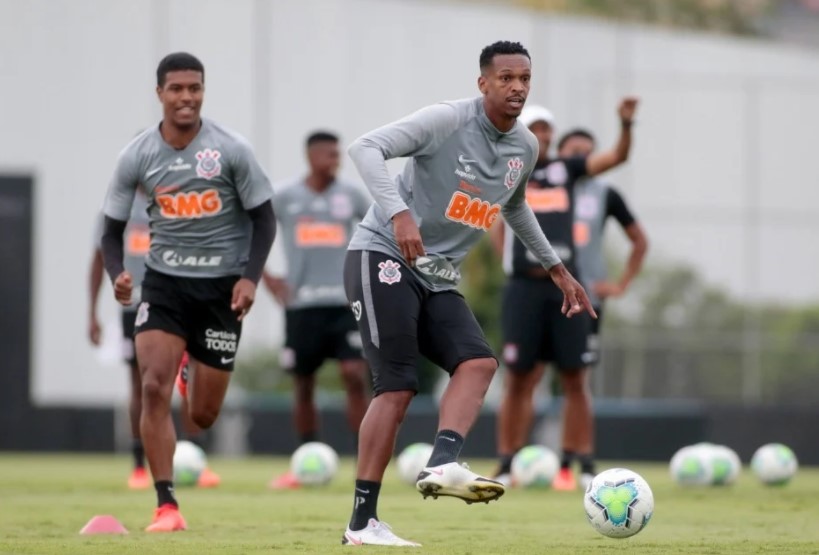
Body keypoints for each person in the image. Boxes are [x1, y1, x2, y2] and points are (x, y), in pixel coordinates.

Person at [340, 40, 594, 547]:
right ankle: (362, 523)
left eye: (524, 78)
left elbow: (515, 207)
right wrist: (398, 212)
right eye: (506, 78)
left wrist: (557, 269)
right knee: (397, 385)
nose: (517, 87)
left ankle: (441, 464)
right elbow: (365, 147)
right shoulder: (446, 120)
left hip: (437, 275)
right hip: (382, 255)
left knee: (478, 364)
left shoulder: (525, 146)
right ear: (483, 84)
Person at [100, 52, 275, 532]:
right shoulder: (137, 155)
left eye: (194, 88)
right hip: (164, 285)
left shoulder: (231, 149)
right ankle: (166, 505)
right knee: (151, 386)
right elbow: (110, 228)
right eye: (176, 88)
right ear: (160, 93)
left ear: (203, 91)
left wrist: (250, 278)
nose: (186, 97)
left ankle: (188, 375)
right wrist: (117, 272)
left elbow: (264, 218)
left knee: (203, 414)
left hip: (221, 291)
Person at [491, 98, 638, 491]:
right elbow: (495, 227)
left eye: (546, 130)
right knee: (518, 379)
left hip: (566, 289)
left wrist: (625, 125)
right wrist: (510, 261)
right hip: (523, 288)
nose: (541, 135)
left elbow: (616, 158)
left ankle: (583, 463)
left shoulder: (565, 170)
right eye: (534, 128)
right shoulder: (508, 170)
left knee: (575, 378)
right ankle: (507, 463)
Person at [89, 191, 222, 490]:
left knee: (188, 378)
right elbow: (99, 257)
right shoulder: (117, 206)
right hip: (137, 305)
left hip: (182, 302)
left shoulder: (182, 198)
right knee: (142, 384)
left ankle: (196, 459)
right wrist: (92, 313)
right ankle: (138, 465)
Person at [263, 131, 371, 489]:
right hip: (302, 306)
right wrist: (267, 278)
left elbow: (379, 230)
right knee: (303, 384)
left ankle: (364, 461)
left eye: (337, 154)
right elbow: (253, 229)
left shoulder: (350, 195)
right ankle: (306, 459)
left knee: (355, 374)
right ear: (311, 157)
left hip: (344, 303)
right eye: (328, 154)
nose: (335, 160)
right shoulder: (285, 196)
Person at [558, 128, 648, 361]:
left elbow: (639, 241)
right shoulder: (542, 185)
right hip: (544, 291)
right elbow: (502, 230)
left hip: (586, 296)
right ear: (559, 153)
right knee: (530, 374)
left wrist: (620, 285)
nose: (582, 158)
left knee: (578, 373)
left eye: (588, 153)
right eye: (576, 152)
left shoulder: (605, 194)